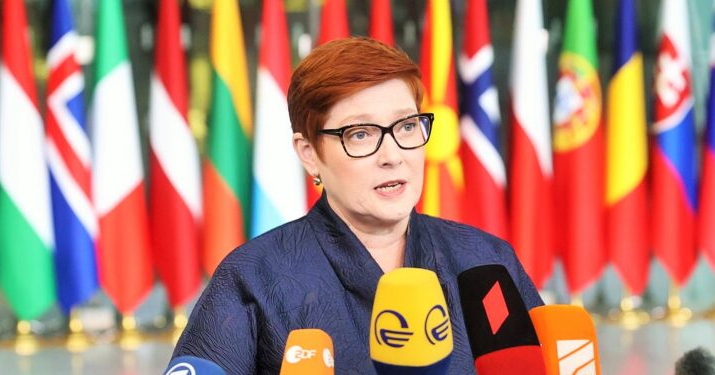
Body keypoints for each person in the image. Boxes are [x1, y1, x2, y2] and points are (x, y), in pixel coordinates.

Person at [171, 36, 542, 374]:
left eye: (407, 127)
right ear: (310, 154)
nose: (392, 154)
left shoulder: (485, 261)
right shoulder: (252, 277)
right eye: (360, 134)